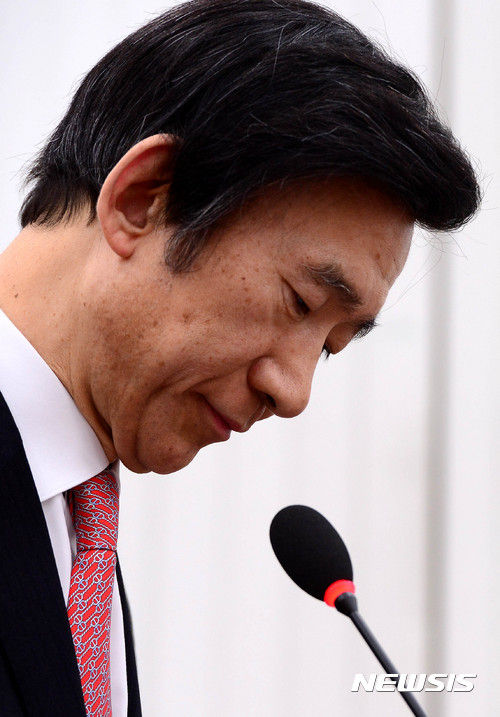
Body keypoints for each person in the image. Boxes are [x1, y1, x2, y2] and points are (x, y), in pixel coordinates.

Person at [0, 0, 480, 714]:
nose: (295, 393)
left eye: (331, 347)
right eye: (299, 303)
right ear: (141, 199)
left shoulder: (76, 528)